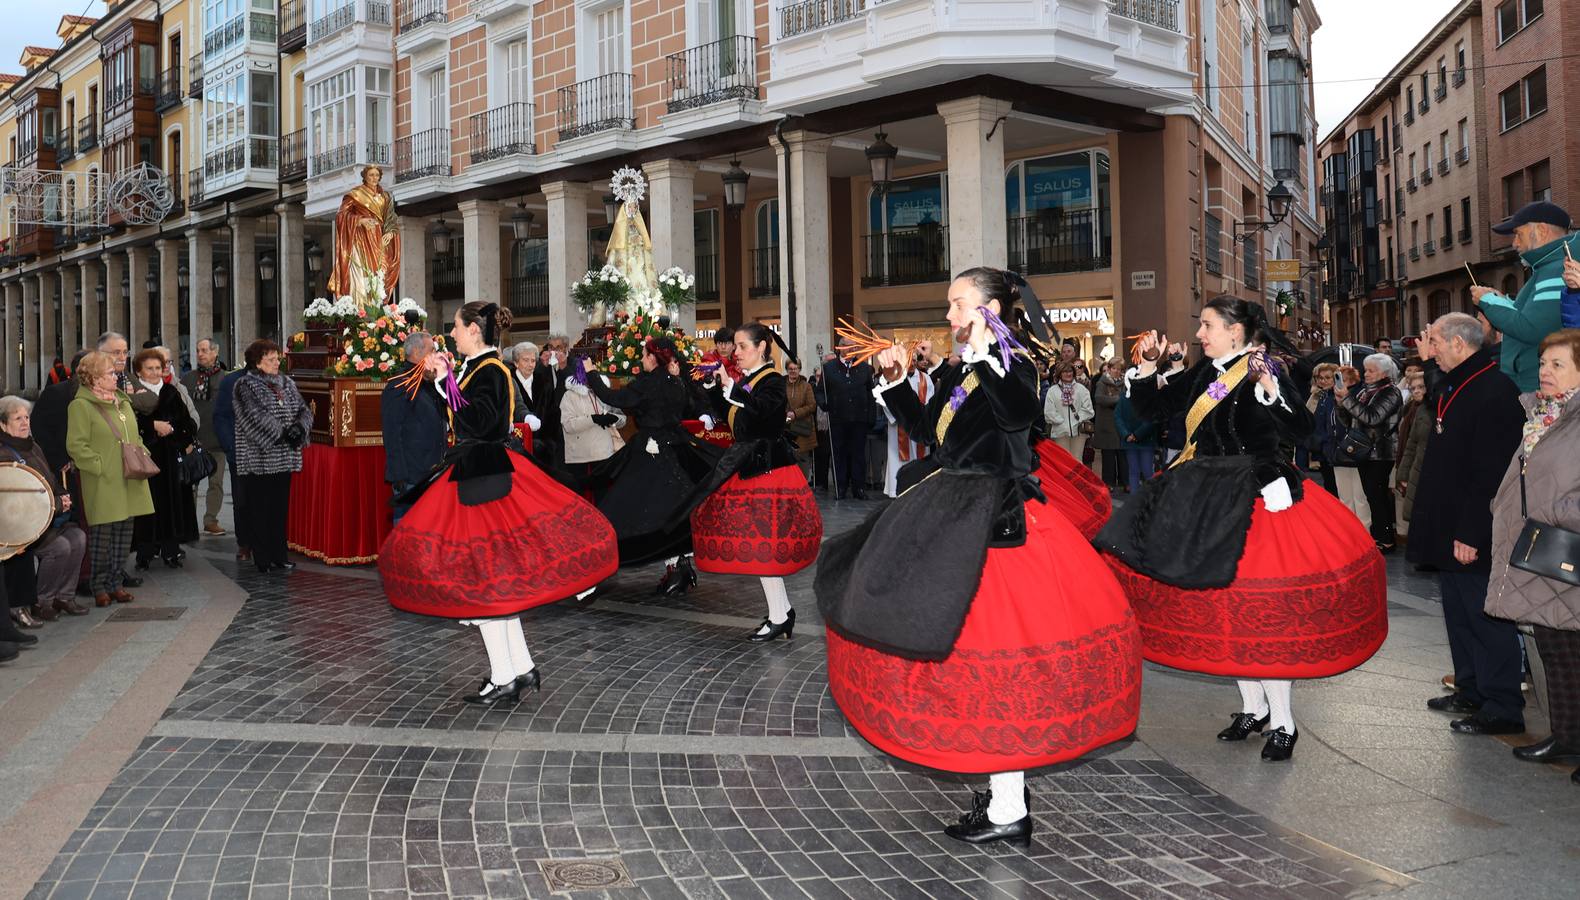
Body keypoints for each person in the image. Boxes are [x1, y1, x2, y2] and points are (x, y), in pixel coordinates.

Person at [817, 267, 1140, 845]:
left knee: (996, 656)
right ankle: (1004, 796)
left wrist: (991, 352)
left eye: (958, 305)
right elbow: (932, 432)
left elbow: (1018, 418)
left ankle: (1009, 806)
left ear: (989, 309)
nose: (948, 317)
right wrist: (894, 381)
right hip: (953, 507)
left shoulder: (1013, 362)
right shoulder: (966, 368)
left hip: (998, 523)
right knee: (968, 652)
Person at [1098, 295, 1389, 763]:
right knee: (1224, 608)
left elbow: (1302, 431)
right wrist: (1150, 367)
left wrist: (1272, 392)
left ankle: (1284, 721)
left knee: (1262, 615)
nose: (1199, 335)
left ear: (1236, 331)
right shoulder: (1203, 371)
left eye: (1207, 326)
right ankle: (1252, 708)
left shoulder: (1265, 368)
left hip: (1257, 498)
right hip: (1205, 493)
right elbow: (1155, 411)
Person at [379, 302, 617, 706]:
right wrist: (448, 380)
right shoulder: (479, 368)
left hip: (484, 477)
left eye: (455, 327)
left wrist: (445, 384)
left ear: (474, 330)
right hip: (476, 473)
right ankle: (518, 668)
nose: (451, 334)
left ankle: (507, 674)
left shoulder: (491, 370)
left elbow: (482, 424)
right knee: (494, 581)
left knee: (484, 580)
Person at [1407, 313, 1527, 735]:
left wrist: (1472, 532)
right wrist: (1428, 365)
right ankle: (1471, 687)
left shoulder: (1495, 391)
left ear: (1459, 343)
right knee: (1458, 613)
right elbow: (1440, 405)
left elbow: (1490, 472)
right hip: (1448, 522)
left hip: (1472, 528)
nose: (1430, 347)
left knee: (1483, 615)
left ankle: (1503, 705)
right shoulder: (1459, 381)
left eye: (1436, 340)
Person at [687, 324, 823, 639]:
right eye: (735, 346)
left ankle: (781, 615)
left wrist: (732, 390)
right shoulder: (748, 381)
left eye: (742, 346)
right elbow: (738, 421)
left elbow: (765, 414)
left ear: (762, 347)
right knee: (762, 545)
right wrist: (714, 391)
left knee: (765, 545)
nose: (736, 353)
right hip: (751, 467)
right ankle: (781, 613)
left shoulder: (773, 381)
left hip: (769, 470)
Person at [1486, 330, 1580, 781]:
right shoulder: (1544, 416)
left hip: (1567, 546)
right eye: (1543, 363)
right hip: (1542, 551)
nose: (1544, 371)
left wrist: (1552, 511)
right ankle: (1567, 736)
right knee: (1556, 651)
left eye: (1557, 364)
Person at [581, 337, 722, 593]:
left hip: (652, 451)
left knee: (634, 509)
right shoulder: (675, 381)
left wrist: (591, 373)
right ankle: (680, 567)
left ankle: (675, 567)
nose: (642, 359)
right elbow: (690, 404)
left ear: (653, 358)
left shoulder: (649, 383)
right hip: (675, 447)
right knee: (674, 507)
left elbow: (615, 397)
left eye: (644, 355)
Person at [65, 351, 154, 608]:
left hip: (130, 477)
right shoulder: (81, 406)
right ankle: (99, 585)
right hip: (103, 481)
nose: (116, 376)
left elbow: (134, 436)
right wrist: (99, 466)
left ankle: (116, 583)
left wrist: (141, 452)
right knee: (102, 537)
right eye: (109, 373)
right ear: (93, 378)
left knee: (124, 536)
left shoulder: (123, 402)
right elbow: (76, 445)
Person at [1471, 201, 1579, 392]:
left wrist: (1488, 301)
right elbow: (1540, 318)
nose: (1515, 243)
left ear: (1542, 230)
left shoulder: (1557, 269)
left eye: (1518, 234)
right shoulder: (1549, 267)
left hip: (1539, 389)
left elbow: (1532, 328)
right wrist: (1503, 302)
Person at [1, 396, 89, 623]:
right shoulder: (4, 454)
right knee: (59, 547)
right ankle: (42, 600)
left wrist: (62, 496)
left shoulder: (33, 446)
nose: (24, 422)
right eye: (17, 418)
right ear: (3, 424)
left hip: (49, 516)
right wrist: (57, 504)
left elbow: (50, 479)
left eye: (26, 417)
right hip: (25, 525)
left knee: (78, 537)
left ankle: (64, 596)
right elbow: (21, 499)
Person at [232, 340, 313, 575]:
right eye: (271, 359)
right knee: (259, 508)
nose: (277, 362)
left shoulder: (287, 382)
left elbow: (303, 409)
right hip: (260, 457)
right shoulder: (244, 385)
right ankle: (262, 557)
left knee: (279, 509)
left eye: (277, 358)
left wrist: (300, 427)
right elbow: (252, 417)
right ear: (258, 362)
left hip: (284, 457)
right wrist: (283, 432)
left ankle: (279, 555)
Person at [125, 349, 199, 569]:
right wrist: (152, 428)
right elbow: (129, 426)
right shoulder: (132, 395)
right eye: (150, 368)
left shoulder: (171, 392)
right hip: (144, 459)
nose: (155, 372)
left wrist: (173, 431)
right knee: (146, 507)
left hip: (170, 460)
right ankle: (145, 552)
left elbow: (188, 424)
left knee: (172, 507)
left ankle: (171, 550)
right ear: (139, 372)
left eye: (158, 367)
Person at [1334, 353, 1403, 553]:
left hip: (1381, 452)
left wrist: (1347, 399)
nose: (1367, 374)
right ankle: (1379, 536)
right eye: (1366, 370)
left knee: (1377, 495)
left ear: (1384, 372)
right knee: (1372, 495)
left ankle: (1386, 539)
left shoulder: (1391, 392)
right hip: (1365, 451)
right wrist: (1341, 403)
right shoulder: (1365, 392)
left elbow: (1372, 418)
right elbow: (1350, 421)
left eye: (1371, 370)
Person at [382, 332, 448, 523]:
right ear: (418, 352)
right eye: (432, 350)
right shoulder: (399, 385)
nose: (436, 355)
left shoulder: (429, 383)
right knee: (408, 534)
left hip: (433, 471)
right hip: (412, 476)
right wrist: (399, 475)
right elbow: (392, 433)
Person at [180, 338, 231, 537]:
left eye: (204, 350)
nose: (200, 354)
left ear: (214, 352)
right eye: (198, 350)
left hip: (217, 441)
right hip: (194, 441)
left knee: (216, 483)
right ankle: (189, 522)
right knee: (191, 483)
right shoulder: (188, 378)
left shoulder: (226, 378)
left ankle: (211, 520)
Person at [559, 356, 627, 491]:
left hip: (604, 452)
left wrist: (613, 418)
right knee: (580, 496)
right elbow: (568, 425)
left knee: (603, 495)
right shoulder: (569, 396)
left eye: (593, 367)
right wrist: (593, 419)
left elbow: (622, 419)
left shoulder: (604, 392)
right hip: (579, 455)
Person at [879, 343, 935, 497]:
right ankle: (897, 491)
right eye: (909, 359)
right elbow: (884, 400)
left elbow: (930, 402)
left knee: (920, 461)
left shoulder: (926, 379)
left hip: (920, 428)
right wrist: (898, 416)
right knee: (899, 461)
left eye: (914, 359)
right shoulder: (894, 376)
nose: (912, 363)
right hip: (898, 427)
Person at [211, 361, 251, 562]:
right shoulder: (232, 381)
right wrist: (231, 446)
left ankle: (265, 543)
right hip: (241, 452)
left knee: (265, 502)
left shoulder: (278, 381)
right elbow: (221, 416)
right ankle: (244, 543)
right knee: (242, 500)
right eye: (270, 358)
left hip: (269, 455)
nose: (275, 363)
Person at [821, 352, 875, 500]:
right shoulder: (829, 368)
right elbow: (820, 391)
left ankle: (859, 488)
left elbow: (870, 392)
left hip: (859, 419)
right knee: (839, 454)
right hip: (838, 418)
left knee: (858, 454)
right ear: (841, 348)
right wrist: (824, 404)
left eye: (855, 346)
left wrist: (871, 416)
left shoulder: (864, 368)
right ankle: (841, 487)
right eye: (848, 346)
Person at [1327, 365, 1371, 528]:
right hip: (1337, 452)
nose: (1339, 383)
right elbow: (1327, 424)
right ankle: (1350, 532)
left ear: (1353, 380)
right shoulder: (1330, 396)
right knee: (1344, 497)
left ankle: (1364, 532)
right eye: (1337, 379)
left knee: (1360, 497)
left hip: (1356, 451)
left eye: (1343, 379)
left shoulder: (1360, 395)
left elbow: (1358, 419)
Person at [1395, 367, 1431, 536]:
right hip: (1414, 466)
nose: (1416, 391)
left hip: (1425, 469)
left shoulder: (1429, 410)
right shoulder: (1411, 408)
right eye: (1413, 388)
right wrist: (1403, 474)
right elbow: (1409, 444)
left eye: (1421, 387)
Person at [1042, 363, 1093, 464]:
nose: (1068, 374)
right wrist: (1062, 423)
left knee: (1077, 461)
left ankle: (1078, 480)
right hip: (1060, 432)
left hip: (1079, 431)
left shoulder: (1081, 389)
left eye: (1070, 371)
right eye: (1065, 371)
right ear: (1060, 374)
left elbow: (1088, 409)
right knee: (1063, 462)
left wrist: (1077, 420)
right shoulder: (1052, 391)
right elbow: (1049, 412)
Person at [1305, 363, 1339, 496]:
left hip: (1333, 447)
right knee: (1329, 485)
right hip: (1321, 447)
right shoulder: (1320, 395)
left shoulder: (1336, 396)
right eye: (1320, 378)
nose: (1323, 381)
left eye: (1327, 378)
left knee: (1336, 487)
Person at [1091, 358, 1126, 487]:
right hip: (1107, 425)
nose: (1117, 371)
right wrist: (1117, 399)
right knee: (1108, 457)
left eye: (1119, 369)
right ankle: (1108, 483)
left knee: (1123, 456)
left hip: (1121, 424)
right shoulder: (1102, 382)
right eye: (1114, 368)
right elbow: (1099, 399)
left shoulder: (1125, 383)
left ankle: (1124, 482)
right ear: (1110, 369)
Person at [1114, 390, 1156, 494]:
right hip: (1143, 439)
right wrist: (1132, 435)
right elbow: (1117, 417)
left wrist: (1129, 435)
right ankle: (1146, 501)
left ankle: (1136, 503)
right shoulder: (1148, 396)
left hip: (1137, 440)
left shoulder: (1125, 396)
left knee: (1138, 472)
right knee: (1144, 472)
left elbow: (1117, 417)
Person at [784, 359, 817, 483]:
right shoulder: (781, 385)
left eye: (795, 368)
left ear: (799, 369)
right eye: (790, 369)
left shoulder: (806, 386)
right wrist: (786, 415)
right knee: (787, 459)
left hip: (802, 429)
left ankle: (802, 487)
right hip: (786, 428)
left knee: (802, 459)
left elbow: (812, 405)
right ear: (787, 369)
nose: (793, 371)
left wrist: (795, 413)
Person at [507, 340, 545, 433]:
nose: (530, 364)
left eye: (533, 361)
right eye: (526, 360)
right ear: (516, 363)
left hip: (543, 442)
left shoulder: (544, 382)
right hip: (518, 438)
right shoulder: (508, 383)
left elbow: (552, 415)